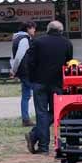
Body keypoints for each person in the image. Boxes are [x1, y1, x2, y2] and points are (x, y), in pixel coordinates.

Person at [25, 20, 73, 155]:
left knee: (41, 113)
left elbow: (30, 62)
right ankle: (36, 138)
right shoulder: (67, 43)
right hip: (57, 83)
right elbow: (68, 64)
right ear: (61, 31)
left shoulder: (38, 42)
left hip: (39, 82)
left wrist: (33, 78)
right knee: (55, 112)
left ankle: (41, 143)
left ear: (48, 29)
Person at [10, 21, 36, 127]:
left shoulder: (16, 39)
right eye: (33, 28)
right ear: (28, 29)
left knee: (26, 95)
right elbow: (19, 57)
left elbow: (13, 56)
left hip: (22, 71)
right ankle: (42, 117)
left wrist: (14, 69)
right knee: (38, 92)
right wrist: (14, 70)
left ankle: (25, 119)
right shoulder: (24, 40)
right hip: (26, 71)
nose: (34, 31)